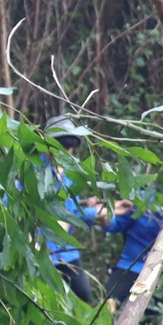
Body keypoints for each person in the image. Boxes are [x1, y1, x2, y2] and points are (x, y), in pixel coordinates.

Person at [42, 117, 103, 303]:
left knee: (85, 297)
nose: (66, 152)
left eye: (69, 148)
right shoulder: (30, 170)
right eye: (61, 147)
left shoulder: (68, 177)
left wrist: (102, 211)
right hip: (40, 250)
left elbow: (72, 214)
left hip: (66, 252)